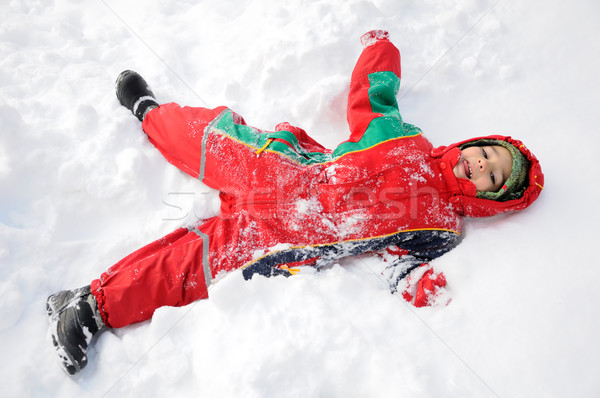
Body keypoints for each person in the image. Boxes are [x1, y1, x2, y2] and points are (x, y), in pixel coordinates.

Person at [46, 30, 544, 375]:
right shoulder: (404, 140)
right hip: (280, 171)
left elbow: (397, 264)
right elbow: (373, 97)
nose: (481, 164)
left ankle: (90, 307)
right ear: (470, 145)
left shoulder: (438, 228)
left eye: (493, 175)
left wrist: (420, 284)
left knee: (191, 266)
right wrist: (381, 49)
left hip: (287, 238)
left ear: (488, 200)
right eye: (485, 153)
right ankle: (149, 111)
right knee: (206, 139)